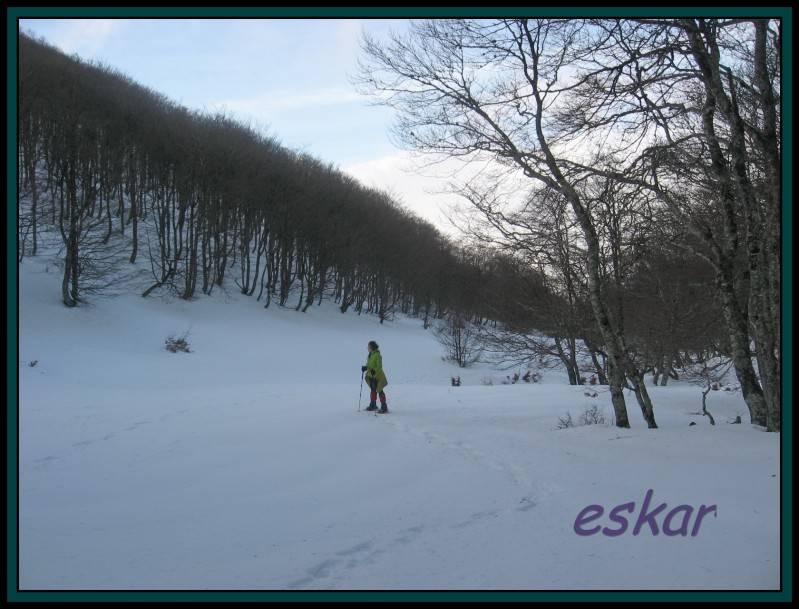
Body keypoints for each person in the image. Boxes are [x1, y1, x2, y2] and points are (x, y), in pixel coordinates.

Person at [362, 340, 389, 413]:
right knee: (373, 390)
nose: (367, 348)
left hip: (378, 376)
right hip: (371, 376)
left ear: (372, 347)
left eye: (368, 347)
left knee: (380, 390)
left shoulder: (378, 355)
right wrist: (365, 367)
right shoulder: (370, 355)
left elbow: (379, 366)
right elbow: (369, 365)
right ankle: (373, 405)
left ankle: (384, 407)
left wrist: (374, 371)